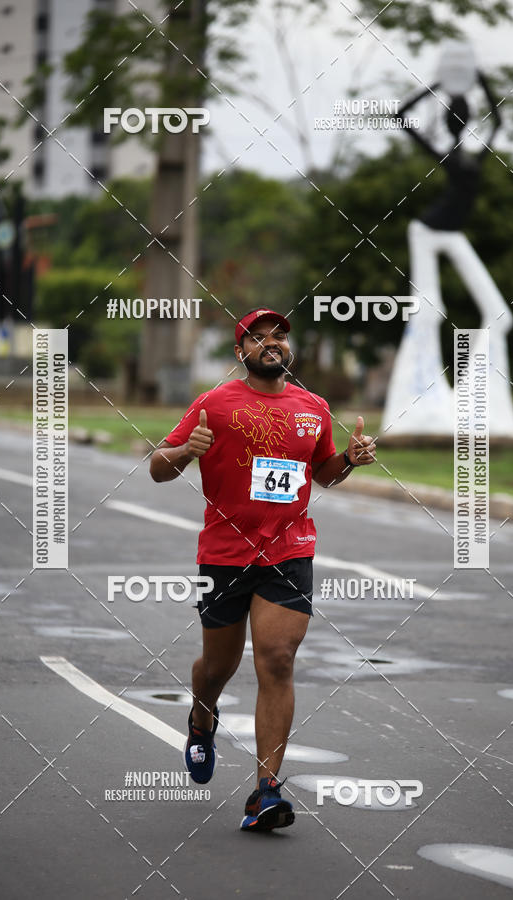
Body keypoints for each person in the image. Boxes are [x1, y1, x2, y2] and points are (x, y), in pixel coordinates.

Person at [149, 307, 376, 831]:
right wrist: (186, 449)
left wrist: (348, 458)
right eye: (258, 337)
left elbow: (322, 474)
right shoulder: (214, 403)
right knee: (218, 667)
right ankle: (202, 714)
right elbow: (159, 467)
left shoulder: (312, 407)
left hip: (289, 551)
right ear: (240, 353)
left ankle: (265, 792)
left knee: (276, 661)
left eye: (278, 336)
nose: (270, 343)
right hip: (225, 554)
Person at [381, 74, 513, 437]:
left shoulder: (475, 154)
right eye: (454, 116)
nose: (459, 121)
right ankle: (418, 404)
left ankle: (477, 406)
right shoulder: (448, 155)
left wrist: (477, 81)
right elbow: (400, 116)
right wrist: (438, 84)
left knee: (499, 314)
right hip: (427, 232)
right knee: (427, 311)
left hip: (452, 234)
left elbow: (500, 119)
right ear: (448, 121)